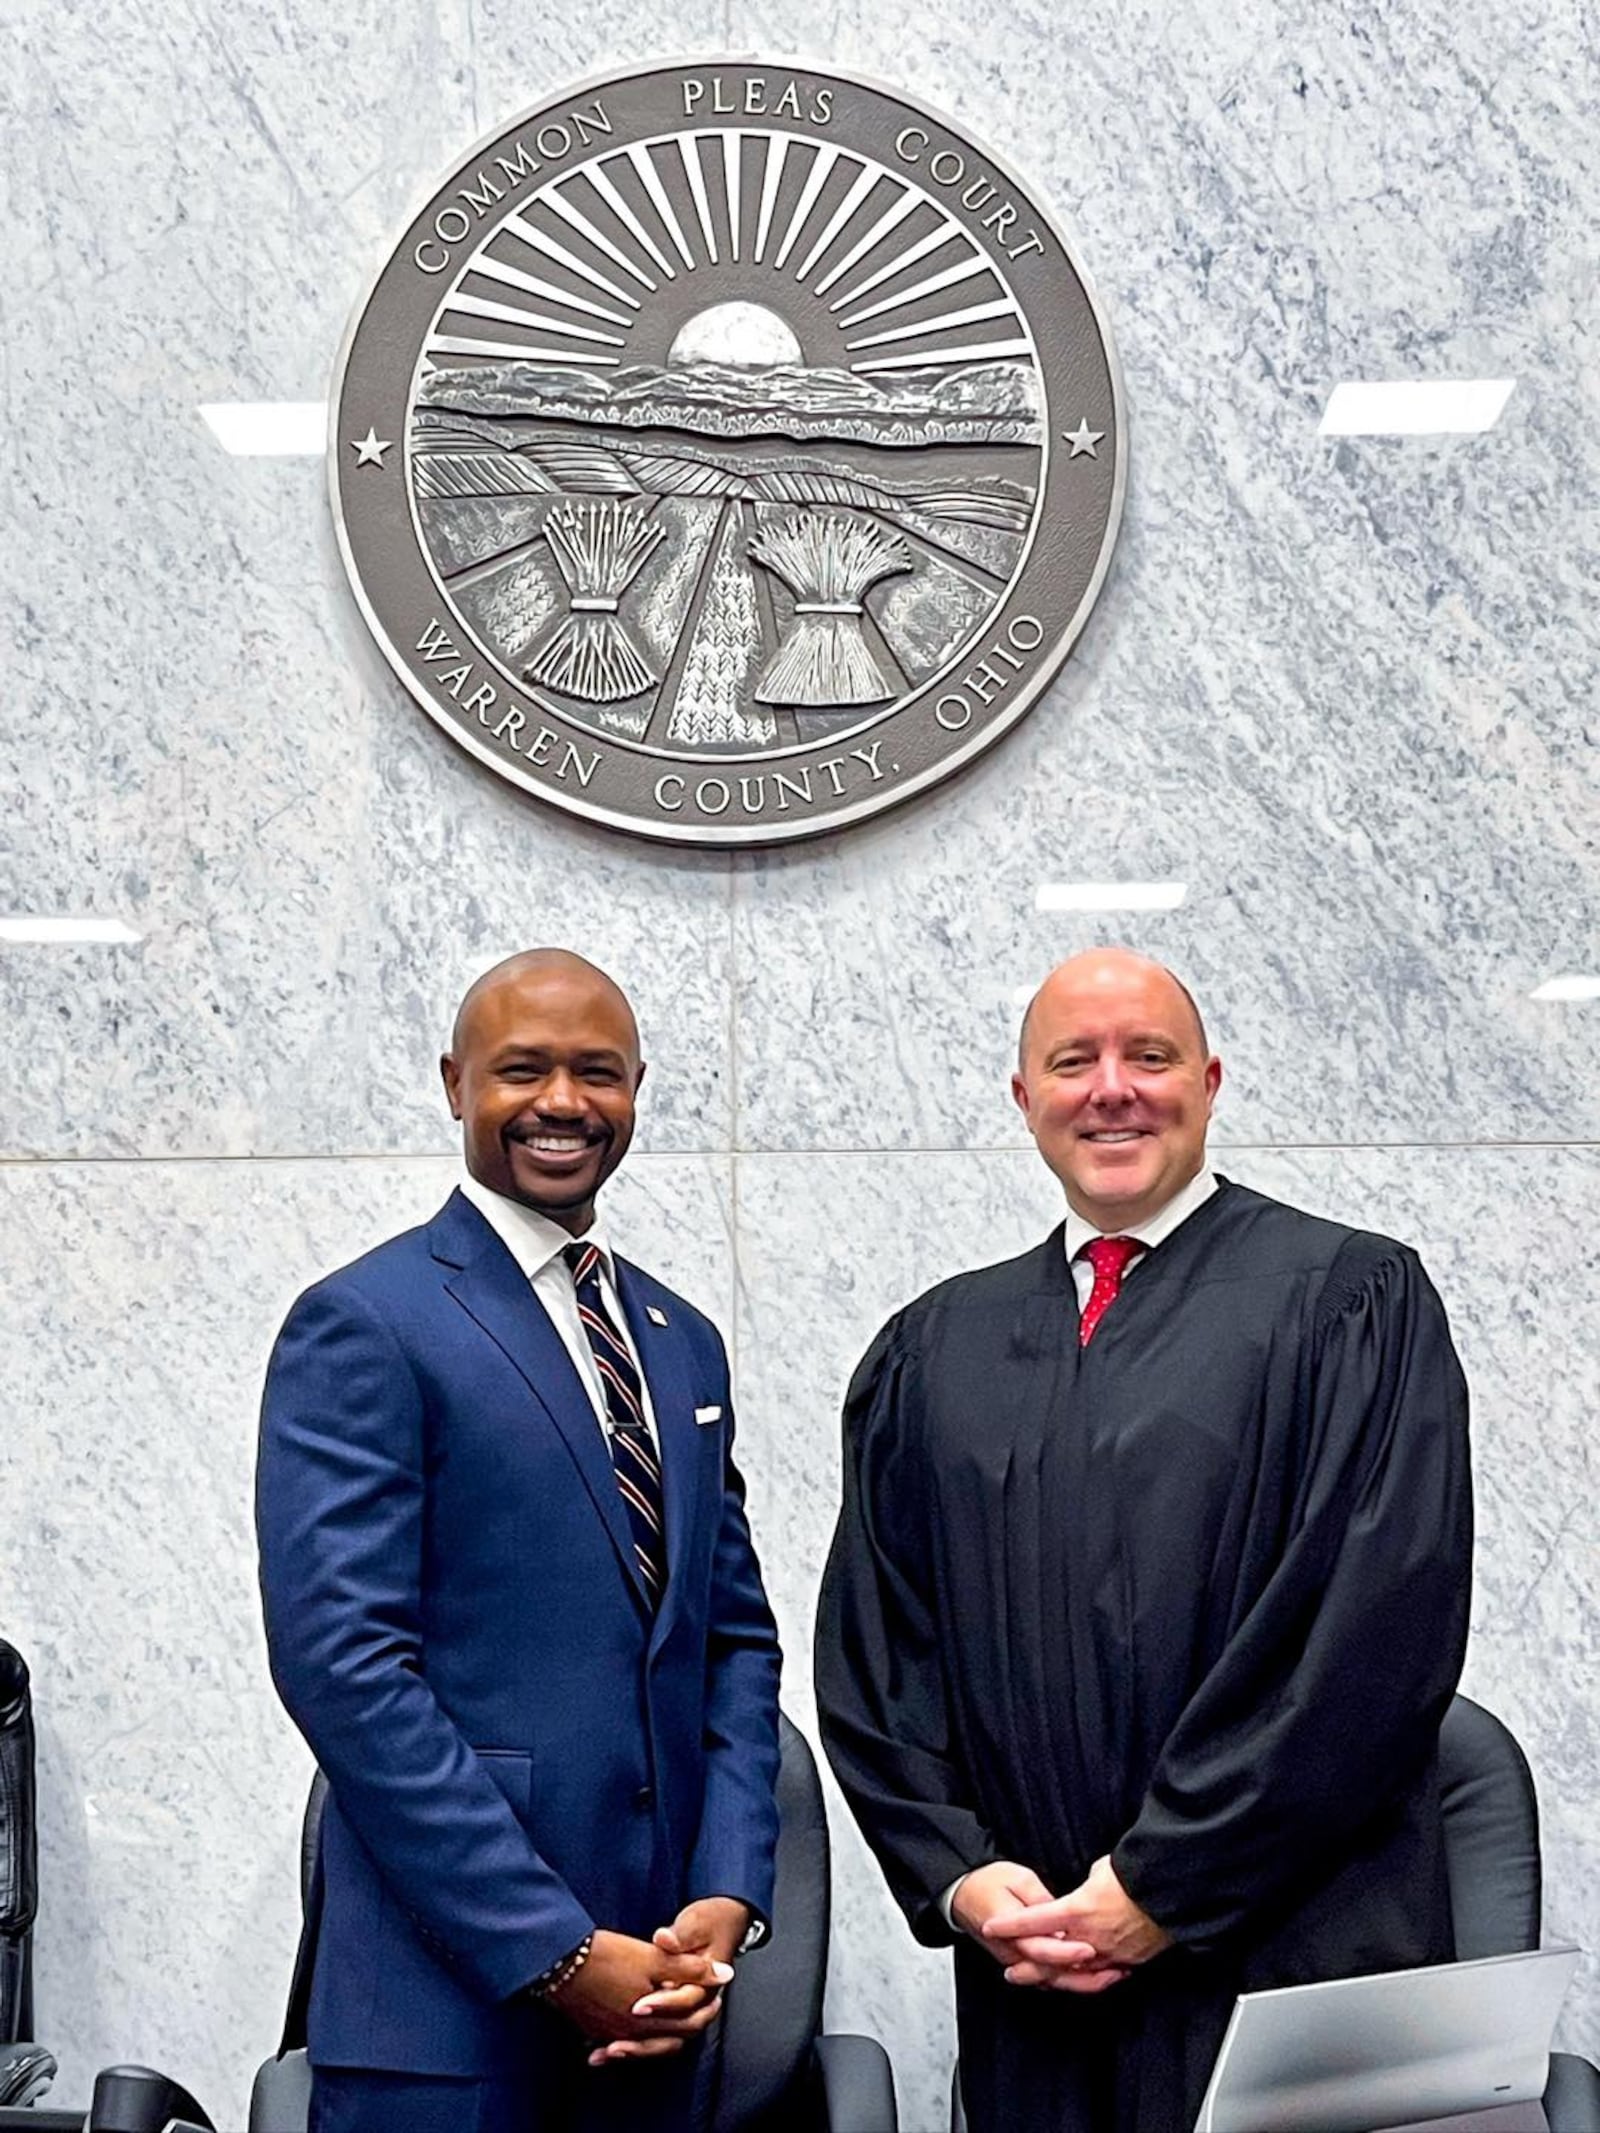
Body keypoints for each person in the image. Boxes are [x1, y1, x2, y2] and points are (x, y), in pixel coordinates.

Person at [815, 948, 1472, 2133]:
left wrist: (1159, 1884)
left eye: (1149, 1057)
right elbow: (878, 1653)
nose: (1111, 1088)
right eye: (1073, 1062)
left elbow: (1371, 1636)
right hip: (1039, 1983)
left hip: (1283, 1961)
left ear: (1210, 1083)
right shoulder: (935, 1349)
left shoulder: (1348, 1300)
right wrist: (963, 1878)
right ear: (1025, 1100)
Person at [257, 949, 781, 2133]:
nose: (562, 1103)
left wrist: (728, 1888)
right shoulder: (365, 1323)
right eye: (521, 1070)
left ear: (636, 1090)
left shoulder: (679, 1339)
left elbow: (733, 1641)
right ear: (456, 1084)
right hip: (445, 2026)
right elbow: (343, 1673)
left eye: (597, 1072)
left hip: (658, 2007)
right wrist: (553, 1951)